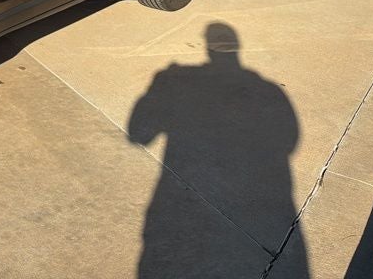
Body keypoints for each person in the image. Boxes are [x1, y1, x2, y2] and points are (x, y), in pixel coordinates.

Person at [128, 22, 308, 278]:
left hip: (172, 205)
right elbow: (290, 141)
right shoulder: (269, 90)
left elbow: (138, 134)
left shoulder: (175, 79)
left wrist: (158, 87)